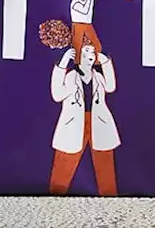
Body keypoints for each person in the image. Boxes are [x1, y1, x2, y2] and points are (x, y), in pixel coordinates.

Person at [49, 42, 119, 196]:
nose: (91, 56)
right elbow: (57, 94)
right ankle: (54, 200)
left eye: (93, 52)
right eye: (87, 51)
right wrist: (63, 63)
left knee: (105, 165)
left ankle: (111, 200)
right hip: (73, 123)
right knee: (64, 163)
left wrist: (106, 62)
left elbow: (111, 87)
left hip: (99, 123)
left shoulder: (98, 76)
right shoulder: (70, 77)